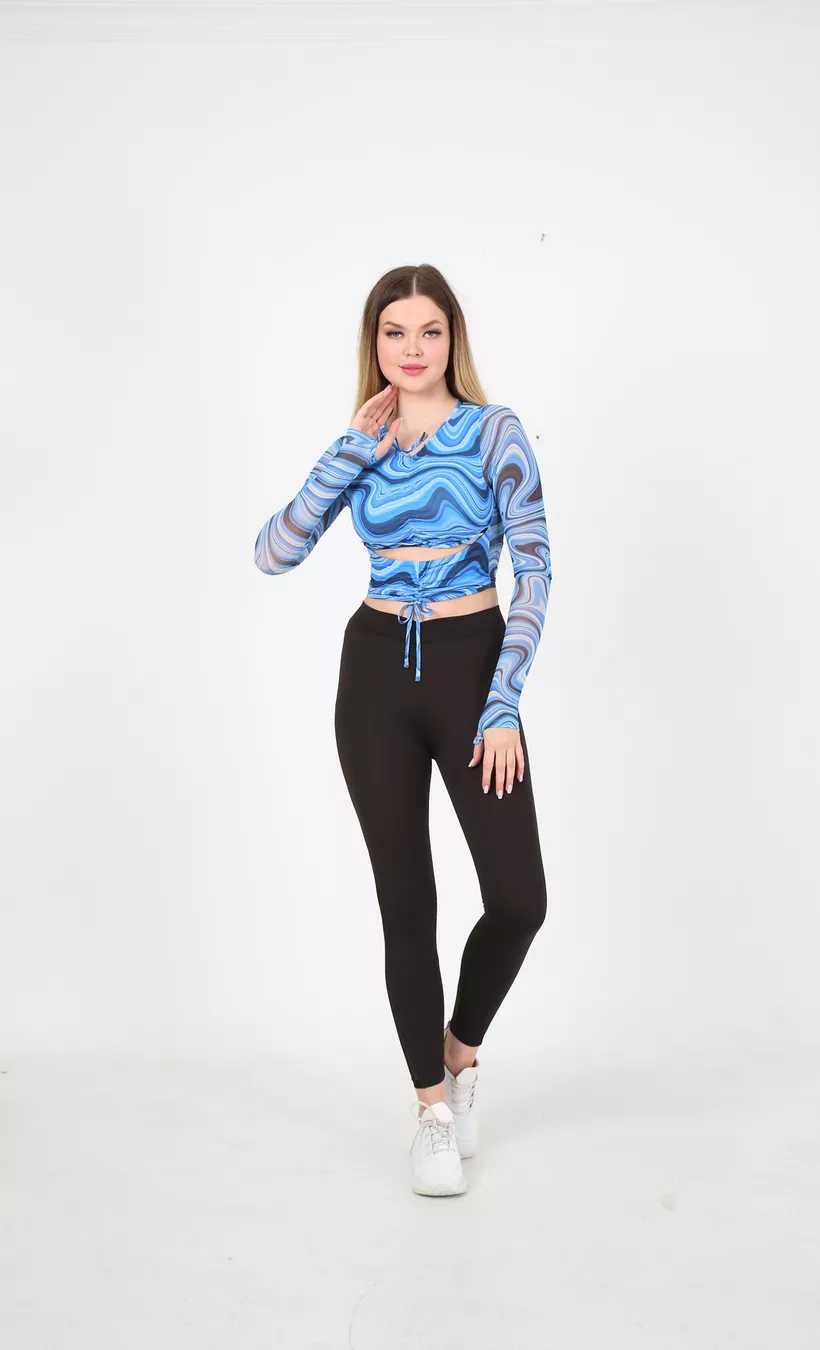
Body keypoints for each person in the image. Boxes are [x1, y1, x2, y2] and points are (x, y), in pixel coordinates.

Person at [253, 264, 552, 1197]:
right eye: (395, 332)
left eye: (429, 330)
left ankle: (459, 1053)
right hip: (377, 672)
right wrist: (348, 450)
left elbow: (535, 570)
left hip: (471, 666)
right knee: (406, 899)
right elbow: (274, 552)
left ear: (453, 337)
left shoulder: (494, 431)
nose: (413, 349)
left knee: (519, 898)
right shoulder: (365, 440)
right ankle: (430, 1110)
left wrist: (502, 702)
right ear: (373, 343)